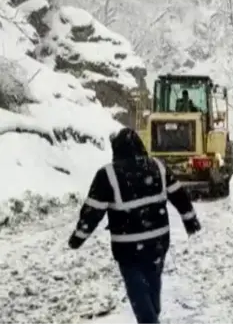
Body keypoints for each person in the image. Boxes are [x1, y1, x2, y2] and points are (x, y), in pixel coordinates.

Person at [67, 127, 201, 324]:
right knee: (153, 287)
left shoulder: (108, 175)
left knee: (138, 292)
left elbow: (92, 212)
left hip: (128, 249)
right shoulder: (157, 166)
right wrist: (190, 220)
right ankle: (152, 317)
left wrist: (78, 238)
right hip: (157, 243)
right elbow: (179, 195)